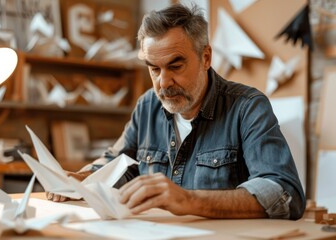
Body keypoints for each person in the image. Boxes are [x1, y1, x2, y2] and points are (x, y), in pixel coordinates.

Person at [47, 3, 306, 220]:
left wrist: (188, 200)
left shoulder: (248, 107)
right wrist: (81, 179)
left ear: (206, 57)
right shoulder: (148, 105)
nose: (163, 82)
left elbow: (285, 192)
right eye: (154, 69)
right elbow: (118, 165)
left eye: (175, 66)